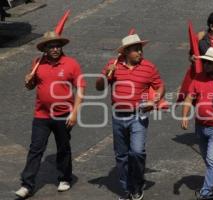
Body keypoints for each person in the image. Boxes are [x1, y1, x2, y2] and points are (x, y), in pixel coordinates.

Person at [15, 31, 86, 198]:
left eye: (57, 46)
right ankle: (27, 184)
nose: (55, 49)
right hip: (41, 115)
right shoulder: (37, 63)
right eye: (51, 46)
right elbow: (31, 86)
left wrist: (75, 113)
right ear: (45, 49)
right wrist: (28, 80)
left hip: (63, 115)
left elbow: (81, 89)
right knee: (35, 149)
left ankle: (65, 177)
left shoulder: (71, 64)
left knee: (63, 147)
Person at [96, 33, 165, 200]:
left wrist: (155, 99)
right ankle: (128, 190)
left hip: (138, 115)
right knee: (121, 155)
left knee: (137, 152)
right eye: (136, 50)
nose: (140, 53)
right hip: (118, 116)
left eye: (140, 49)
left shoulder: (149, 67)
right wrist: (107, 75)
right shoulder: (113, 65)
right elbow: (98, 87)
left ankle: (137, 184)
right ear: (126, 52)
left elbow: (159, 85)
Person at [182, 47, 213, 200]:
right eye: (205, 62)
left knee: (211, 160)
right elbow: (189, 98)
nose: (206, 65)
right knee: (209, 161)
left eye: (210, 63)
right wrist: (184, 116)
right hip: (201, 127)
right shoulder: (198, 77)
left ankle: (206, 193)